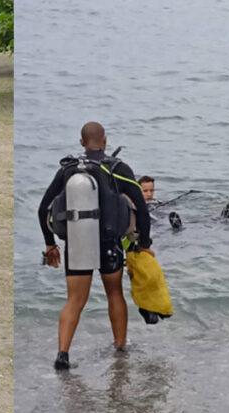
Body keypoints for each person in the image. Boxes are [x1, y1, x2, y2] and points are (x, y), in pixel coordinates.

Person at [37, 122, 153, 370]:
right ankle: (120, 347)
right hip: (109, 243)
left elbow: (42, 209)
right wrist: (144, 244)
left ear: (81, 142)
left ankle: (62, 354)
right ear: (106, 141)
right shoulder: (118, 168)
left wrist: (50, 245)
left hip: (78, 244)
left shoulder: (68, 170)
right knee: (114, 294)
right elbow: (141, 208)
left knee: (74, 301)